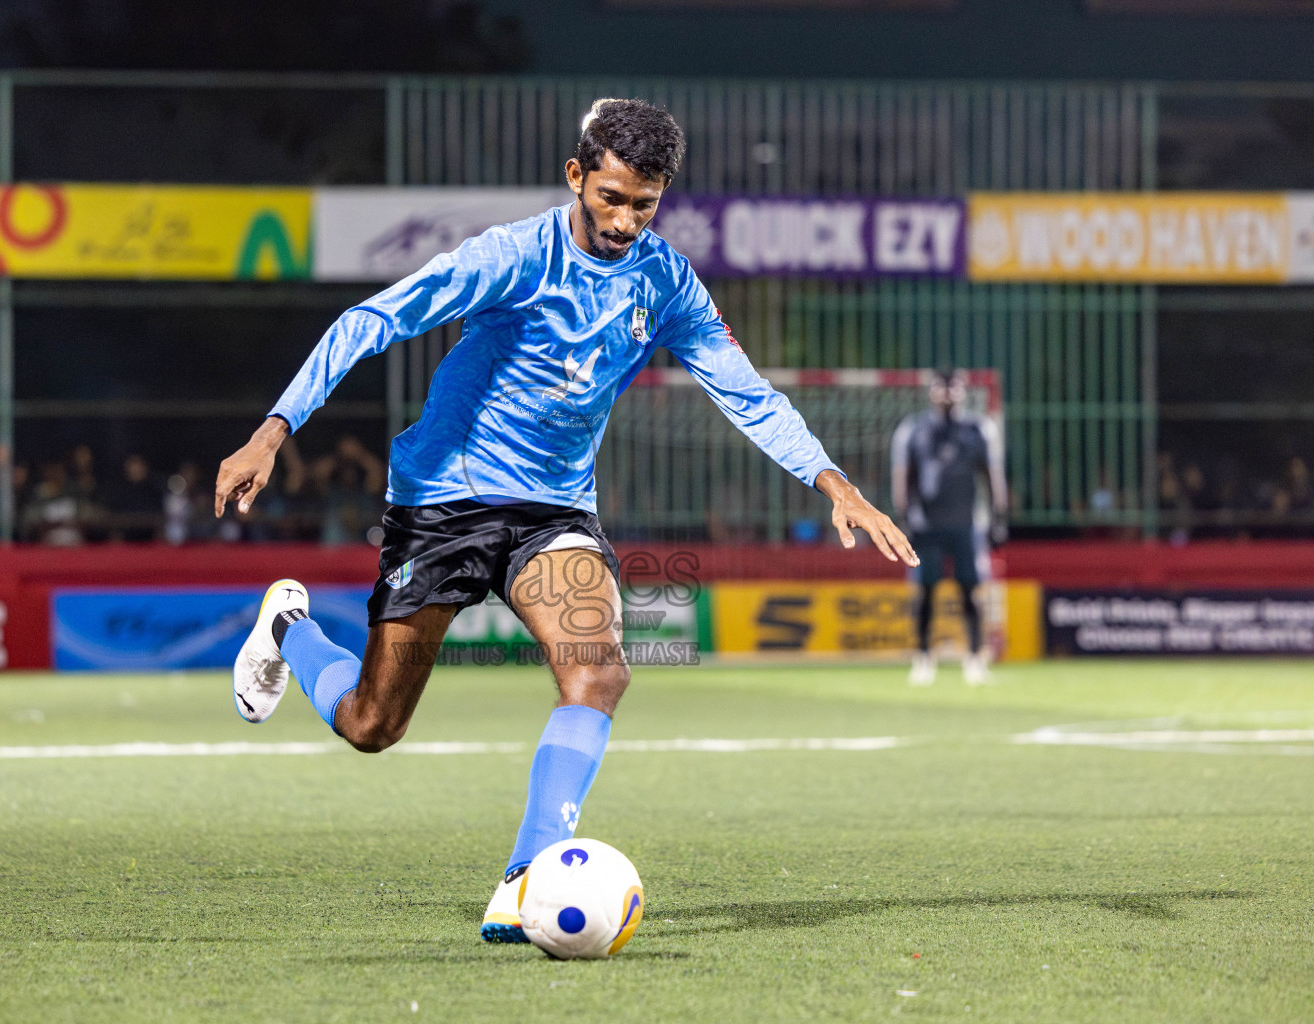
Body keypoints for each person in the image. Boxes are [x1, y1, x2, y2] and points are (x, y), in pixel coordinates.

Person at [215, 98, 917, 944]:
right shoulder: (511, 257)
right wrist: (274, 428)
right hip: (443, 504)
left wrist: (831, 479)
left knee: (599, 672)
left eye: (645, 203)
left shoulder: (666, 283)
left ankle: (523, 883)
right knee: (372, 725)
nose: (625, 221)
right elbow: (374, 319)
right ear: (577, 177)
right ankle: (290, 627)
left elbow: (746, 393)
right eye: (612, 197)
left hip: (554, 514)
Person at [890, 368, 1008, 686]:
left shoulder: (977, 429)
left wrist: (998, 518)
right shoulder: (915, 429)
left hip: (966, 525)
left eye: (952, 387)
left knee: (971, 591)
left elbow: (991, 475)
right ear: (930, 391)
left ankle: (974, 659)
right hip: (926, 526)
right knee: (926, 592)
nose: (946, 393)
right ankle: (923, 659)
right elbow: (904, 476)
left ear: (963, 391)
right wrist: (904, 518)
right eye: (940, 387)